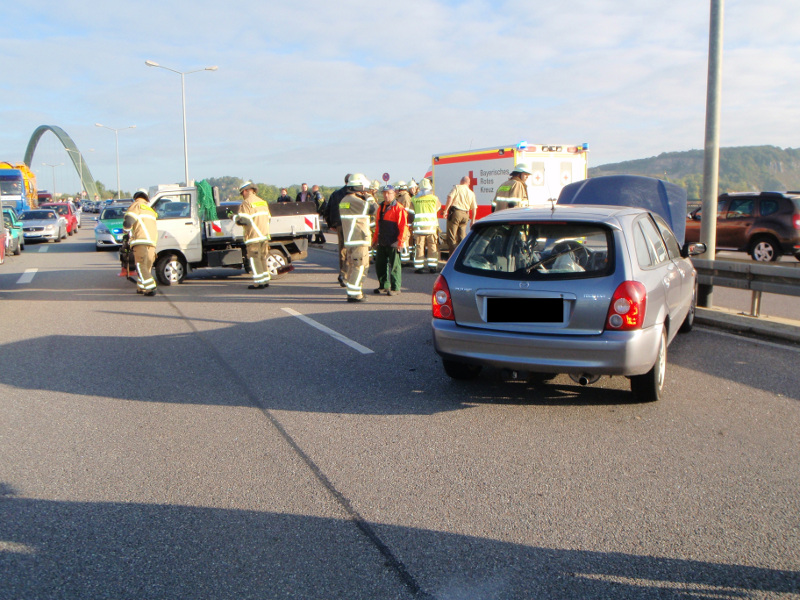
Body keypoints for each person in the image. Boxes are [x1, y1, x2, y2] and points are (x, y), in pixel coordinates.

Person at [338, 174, 377, 302]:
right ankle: (355, 294)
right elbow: (374, 209)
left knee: (352, 266)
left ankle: (352, 291)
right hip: (359, 239)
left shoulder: (344, 200)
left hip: (350, 239)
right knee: (360, 266)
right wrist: (369, 197)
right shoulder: (355, 201)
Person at [234, 181, 272, 289]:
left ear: (246, 191)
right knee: (262, 258)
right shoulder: (263, 202)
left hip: (253, 237)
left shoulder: (246, 203)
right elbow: (269, 218)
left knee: (255, 260)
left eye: (242, 193)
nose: (242, 195)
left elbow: (243, 221)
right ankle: (265, 281)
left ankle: (258, 283)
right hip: (264, 236)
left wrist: (233, 217)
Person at [372, 184, 407, 296]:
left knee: (395, 266)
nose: (386, 196)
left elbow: (403, 227)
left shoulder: (399, 208)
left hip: (393, 242)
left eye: (389, 193)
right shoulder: (381, 207)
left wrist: (400, 242)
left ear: (394, 194)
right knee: (380, 264)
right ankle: (383, 285)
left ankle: (396, 288)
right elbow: (378, 225)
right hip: (382, 241)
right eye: (384, 193)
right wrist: (375, 239)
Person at [123, 189, 158, 296]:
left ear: (136, 197)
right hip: (152, 242)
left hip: (141, 241)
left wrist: (126, 232)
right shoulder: (150, 209)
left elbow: (128, 222)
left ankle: (151, 287)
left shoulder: (136, 205)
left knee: (140, 265)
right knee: (146, 266)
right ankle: (141, 288)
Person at [323, 174, 352, 287]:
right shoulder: (355, 194)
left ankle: (343, 273)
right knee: (352, 250)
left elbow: (328, 210)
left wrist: (331, 224)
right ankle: (348, 275)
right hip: (352, 224)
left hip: (339, 224)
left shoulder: (336, 194)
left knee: (342, 250)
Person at [411, 178, 442, 273]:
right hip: (431, 228)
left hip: (419, 228)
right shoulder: (434, 198)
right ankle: (432, 267)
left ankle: (419, 267)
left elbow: (412, 212)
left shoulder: (414, 199)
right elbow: (438, 208)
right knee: (432, 246)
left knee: (419, 246)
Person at [443, 176, 477, 256]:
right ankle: (462, 255)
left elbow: (450, 197)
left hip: (456, 213)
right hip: (465, 215)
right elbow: (474, 208)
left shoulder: (457, 187)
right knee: (462, 237)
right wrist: (473, 220)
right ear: (468, 183)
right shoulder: (471, 193)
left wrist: (446, 210)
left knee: (452, 236)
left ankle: (453, 256)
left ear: (461, 181)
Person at [394, 181, 414, 266]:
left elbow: (406, 212)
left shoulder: (405, 197)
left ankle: (404, 260)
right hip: (402, 222)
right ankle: (404, 258)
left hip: (404, 223)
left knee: (405, 240)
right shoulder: (401, 196)